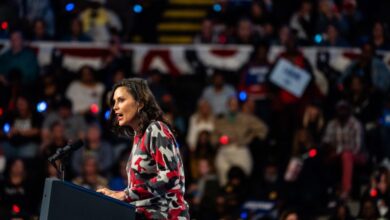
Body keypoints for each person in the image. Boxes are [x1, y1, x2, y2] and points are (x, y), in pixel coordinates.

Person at [97, 78, 189, 219]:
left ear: (139, 103)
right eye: (114, 102)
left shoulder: (156, 129)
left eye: (121, 100)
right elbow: (142, 189)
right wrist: (114, 194)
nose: (115, 107)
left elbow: (170, 175)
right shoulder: (139, 136)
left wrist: (124, 195)